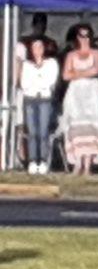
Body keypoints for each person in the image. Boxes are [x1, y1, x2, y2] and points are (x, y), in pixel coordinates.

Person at [58, 23, 98, 174]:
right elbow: (65, 75)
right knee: (76, 126)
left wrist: (77, 72)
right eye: (81, 35)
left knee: (91, 127)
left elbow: (96, 70)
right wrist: (83, 72)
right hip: (75, 94)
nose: (85, 38)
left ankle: (87, 164)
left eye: (87, 35)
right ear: (77, 37)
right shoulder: (71, 55)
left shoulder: (96, 53)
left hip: (91, 93)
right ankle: (77, 162)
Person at [17, 34, 58, 173]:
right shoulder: (26, 65)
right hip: (30, 99)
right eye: (35, 47)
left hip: (45, 99)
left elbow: (51, 81)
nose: (37, 49)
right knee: (33, 132)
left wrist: (37, 81)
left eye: (40, 46)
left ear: (44, 48)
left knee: (43, 131)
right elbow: (24, 84)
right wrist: (40, 81)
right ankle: (33, 161)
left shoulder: (51, 63)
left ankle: (43, 161)